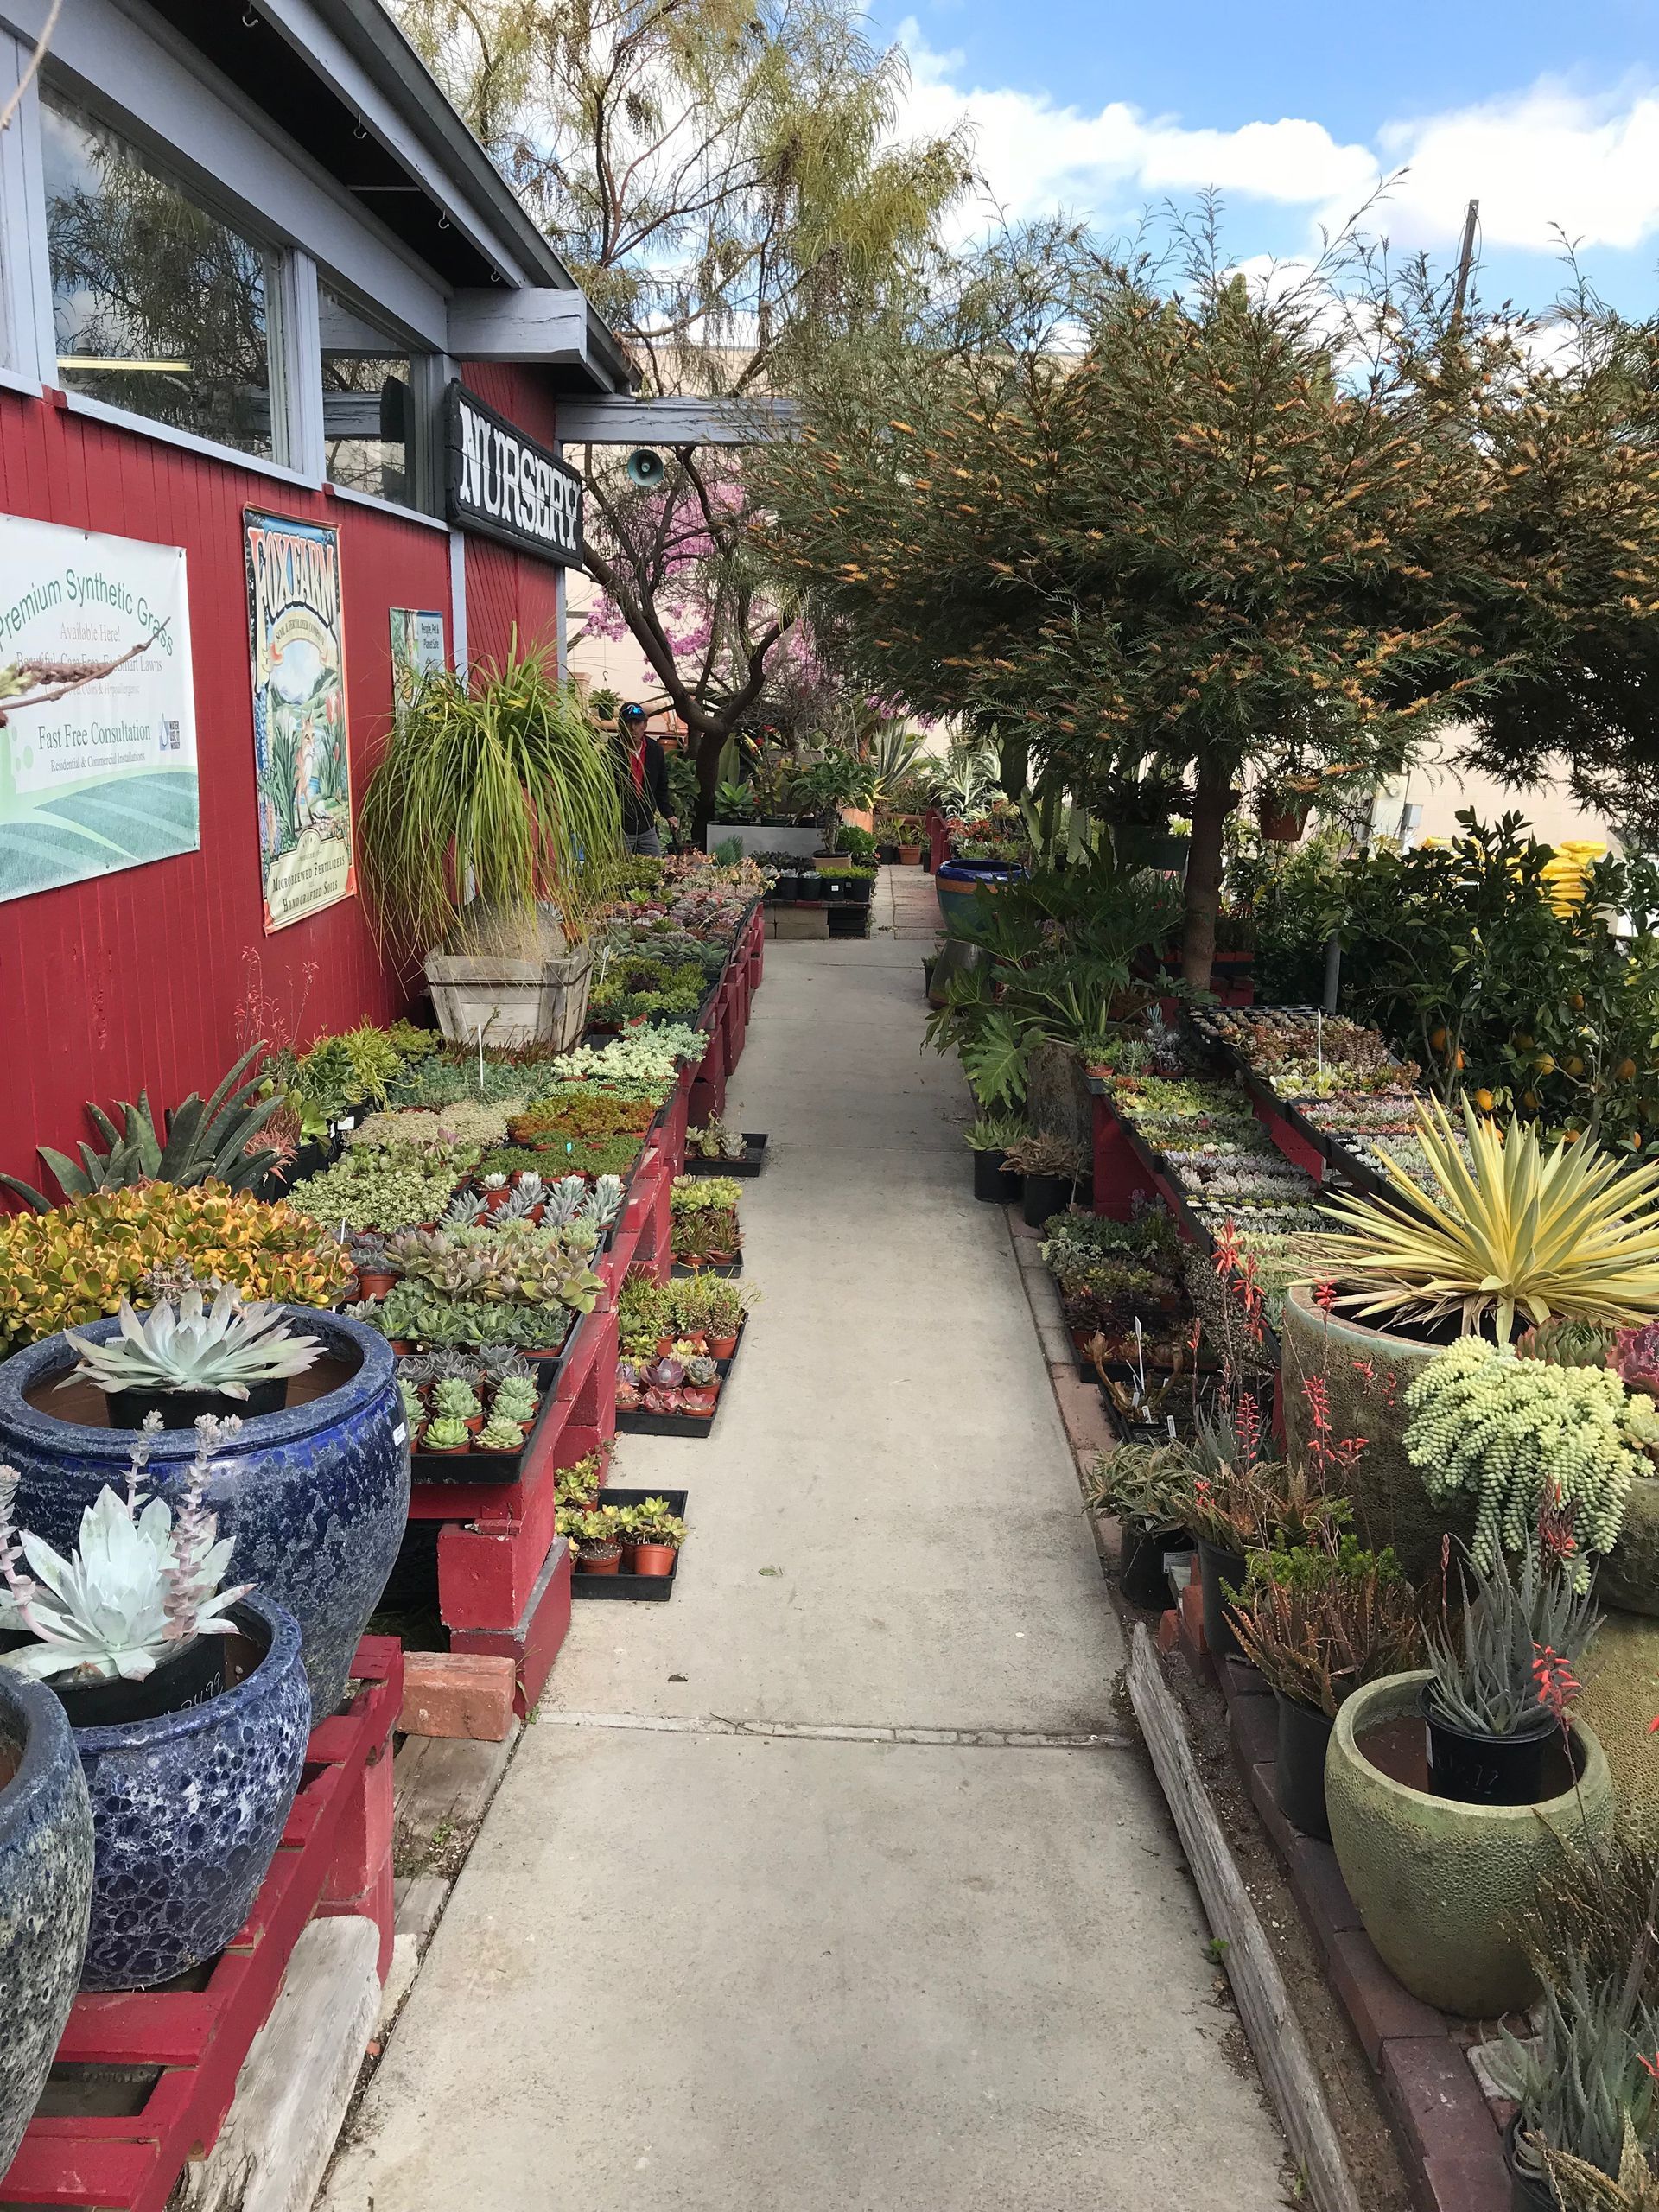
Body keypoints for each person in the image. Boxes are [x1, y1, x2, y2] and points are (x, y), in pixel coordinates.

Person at [613, 701, 676, 855]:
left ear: (645, 725)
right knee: (619, 874)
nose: (633, 728)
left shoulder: (655, 750)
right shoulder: (612, 750)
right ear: (621, 725)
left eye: (637, 722)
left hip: (646, 827)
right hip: (621, 828)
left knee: (656, 870)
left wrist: (668, 814)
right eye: (628, 723)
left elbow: (661, 785)